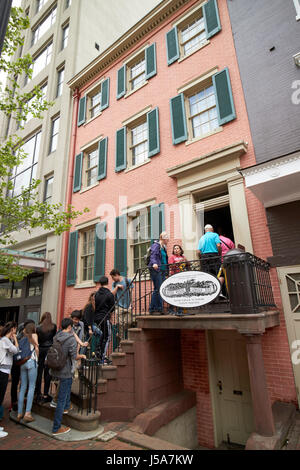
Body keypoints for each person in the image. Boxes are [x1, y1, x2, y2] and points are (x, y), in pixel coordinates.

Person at [50, 317, 86, 436]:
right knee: (61, 398)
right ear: (70, 327)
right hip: (65, 370)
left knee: (65, 391)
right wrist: (82, 356)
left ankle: (66, 406)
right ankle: (56, 427)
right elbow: (74, 356)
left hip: (56, 368)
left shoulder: (57, 336)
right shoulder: (70, 339)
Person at [10, 319, 35, 412]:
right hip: (20, 362)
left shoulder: (22, 335)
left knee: (20, 383)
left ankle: (17, 403)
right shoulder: (22, 336)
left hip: (20, 362)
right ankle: (15, 403)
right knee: (19, 383)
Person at [17, 323, 39, 423]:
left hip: (23, 363)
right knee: (31, 387)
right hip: (31, 362)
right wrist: (37, 359)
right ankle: (27, 413)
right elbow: (37, 348)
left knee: (22, 387)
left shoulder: (22, 338)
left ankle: (19, 412)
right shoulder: (34, 336)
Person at [0, 322, 19, 438]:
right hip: (2, 371)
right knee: (0, 398)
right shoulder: (5, 340)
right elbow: (16, 350)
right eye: (15, 330)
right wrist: (15, 338)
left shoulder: (4, 340)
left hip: (3, 371)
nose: (15, 332)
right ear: (12, 329)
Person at [36, 312, 57, 403]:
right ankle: (45, 393)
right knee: (48, 372)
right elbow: (53, 337)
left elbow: (38, 339)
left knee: (39, 371)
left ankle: (38, 393)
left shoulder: (38, 327)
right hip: (49, 349)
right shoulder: (53, 326)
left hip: (41, 349)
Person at [94, 276, 115, 363]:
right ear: (107, 282)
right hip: (104, 317)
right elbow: (112, 308)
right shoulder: (109, 294)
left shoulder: (97, 294)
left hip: (97, 318)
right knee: (108, 336)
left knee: (103, 334)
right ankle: (102, 357)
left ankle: (98, 351)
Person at [148, 232, 169, 315]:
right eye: (167, 238)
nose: (168, 239)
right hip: (156, 270)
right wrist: (154, 263)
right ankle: (157, 308)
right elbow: (153, 255)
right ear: (163, 238)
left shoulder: (164, 247)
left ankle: (154, 308)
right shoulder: (156, 245)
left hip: (162, 270)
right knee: (158, 289)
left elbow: (164, 259)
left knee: (159, 289)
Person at [110, 269, 134, 343]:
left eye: (113, 277)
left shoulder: (127, 281)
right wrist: (117, 287)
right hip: (119, 305)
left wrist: (131, 303)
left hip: (128, 305)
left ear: (117, 275)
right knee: (120, 324)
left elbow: (131, 292)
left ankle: (124, 336)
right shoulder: (114, 284)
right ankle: (121, 340)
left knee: (129, 322)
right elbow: (112, 294)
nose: (112, 279)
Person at [168, 245, 189, 315]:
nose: (176, 250)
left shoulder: (183, 257)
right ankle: (171, 309)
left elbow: (188, 265)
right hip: (174, 276)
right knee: (175, 293)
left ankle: (180, 310)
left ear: (180, 250)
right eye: (175, 249)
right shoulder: (172, 257)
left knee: (182, 293)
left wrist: (186, 261)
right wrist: (175, 263)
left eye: (177, 248)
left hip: (182, 276)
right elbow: (170, 266)